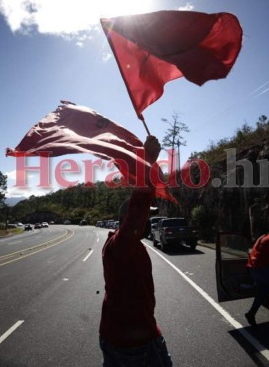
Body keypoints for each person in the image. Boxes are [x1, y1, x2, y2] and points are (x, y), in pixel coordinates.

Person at [99, 136, 173, 367]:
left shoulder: (124, 245)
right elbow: (138, 209)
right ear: (127, 219)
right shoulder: (123, 244)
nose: (147, 220)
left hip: (122, 336)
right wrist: (149, 161)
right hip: (135, 342)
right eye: (146, 217)